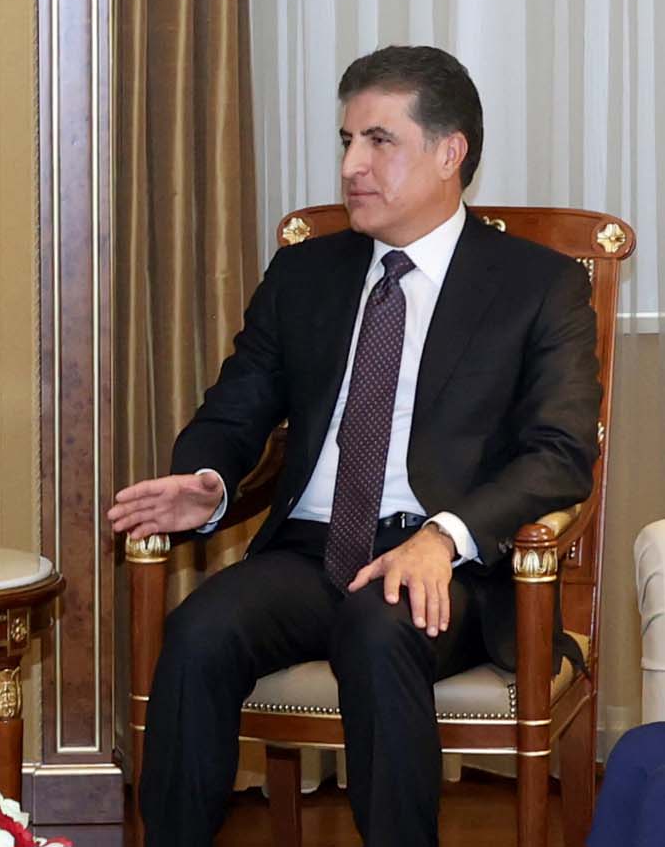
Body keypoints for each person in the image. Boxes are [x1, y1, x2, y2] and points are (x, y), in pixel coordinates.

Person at [108, 45, 599, 846]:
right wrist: (206, 478)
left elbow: (558, 452)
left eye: (379, 141)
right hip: (310, 553)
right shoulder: (305, 273)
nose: (352, 167)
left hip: (448, 568)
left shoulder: (538, 285)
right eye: (346, 141)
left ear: (450, 153)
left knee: (378, 627)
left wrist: (445, 536)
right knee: (199, 632)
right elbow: (234, 408)